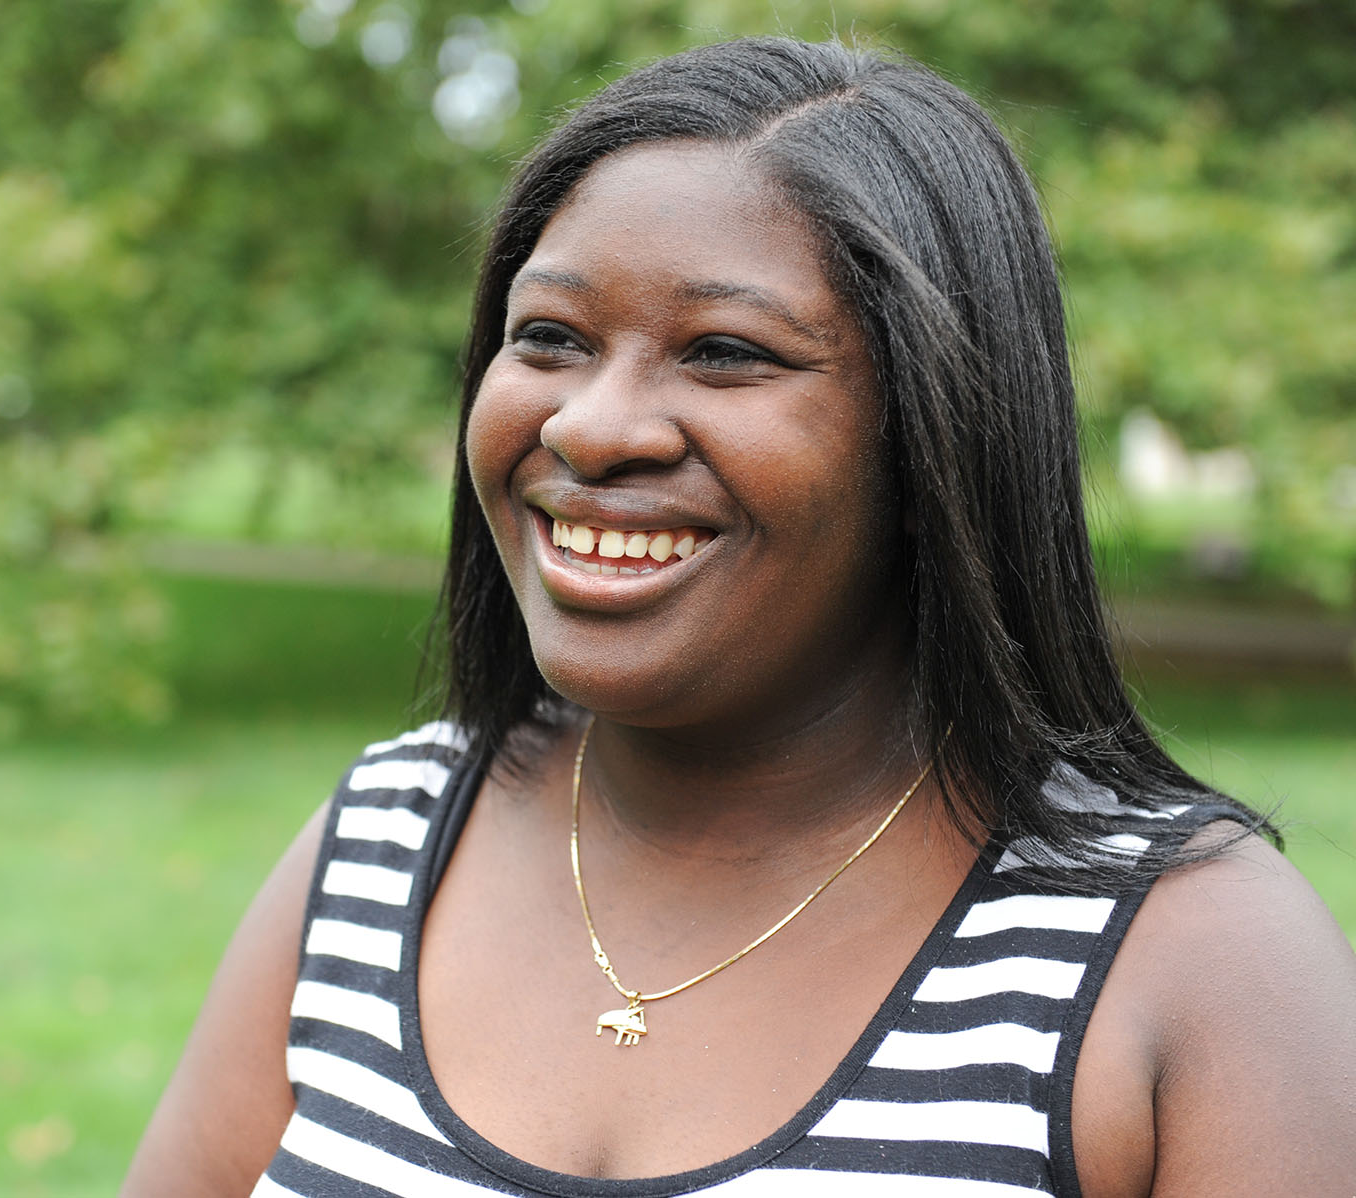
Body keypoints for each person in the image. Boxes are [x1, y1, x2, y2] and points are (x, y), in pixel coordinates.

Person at [124, 37, 1356, 1197]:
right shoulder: (387, 840)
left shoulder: (1192, 956)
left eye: (724, 353)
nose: (593, 428)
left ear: (939, 436)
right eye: (548, 337)